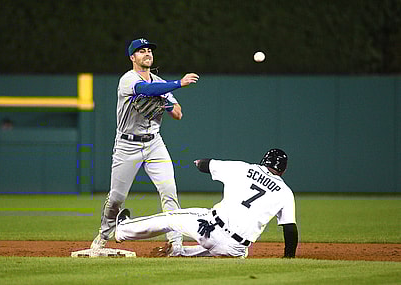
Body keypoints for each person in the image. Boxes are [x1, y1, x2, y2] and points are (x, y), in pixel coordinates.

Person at [90, 38, 200, 256]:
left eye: (149, 50)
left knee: (169, 191)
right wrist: (178, 83)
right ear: (133, 57)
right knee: (116, 198)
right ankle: (103, 237)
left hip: (154, 143)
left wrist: (165, 102)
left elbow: (178, 114)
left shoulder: (159, 82)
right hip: (126, 145)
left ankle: (175, 243)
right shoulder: (127, 80)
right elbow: (144, 89)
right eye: (141, 51)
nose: (147, 53)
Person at [114, 148, 298, 258]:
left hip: (210, 229)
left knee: (170, 218)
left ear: (263, 161)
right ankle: (179, 253)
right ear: (283, 170)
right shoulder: (285, 192)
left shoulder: (244, 168)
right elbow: (290, 229)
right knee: (238, 249)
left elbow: (205, 164)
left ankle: (122, 230)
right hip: (236, 249)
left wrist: (198, 162)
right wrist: (288, 258)